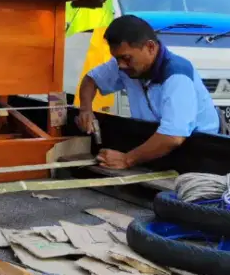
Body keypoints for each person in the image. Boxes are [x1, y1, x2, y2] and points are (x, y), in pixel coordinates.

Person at [76, 15, 220, 171]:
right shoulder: (124, 65)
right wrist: (85, 110)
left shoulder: (176, 75)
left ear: (150, 47)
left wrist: (126, 159)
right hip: (156, 143)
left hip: (201, 152)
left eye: (126, 58)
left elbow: (173, 136)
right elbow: (91, 80)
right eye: (117, 59)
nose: (121, 65)